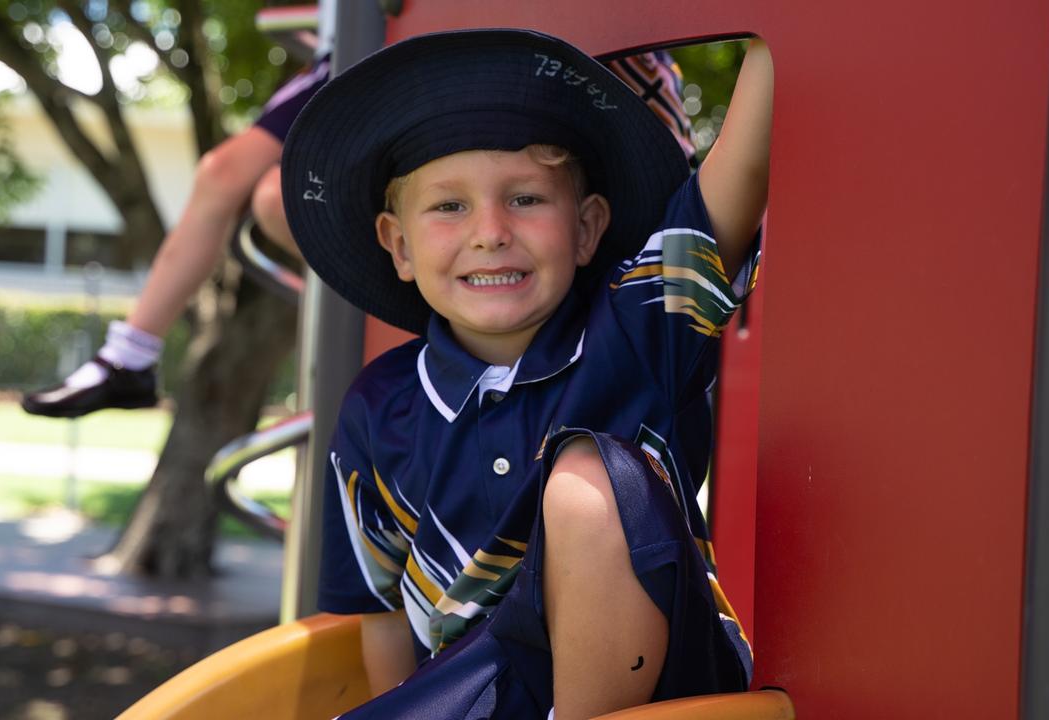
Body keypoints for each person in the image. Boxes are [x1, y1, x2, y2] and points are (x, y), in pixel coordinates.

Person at [280, 29, 772, 720]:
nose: (489, 231)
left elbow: (738, 180)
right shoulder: (377, 406)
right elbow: (384, 615)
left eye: (527, 199)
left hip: (653, 694)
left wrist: (780, 33)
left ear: (587, 228)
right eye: (449, 206)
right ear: (398, 244)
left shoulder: (638, 332)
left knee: (588, 482)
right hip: (467, 699)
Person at [19, 38, 331, 418]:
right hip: (343, 43)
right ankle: (129, 356)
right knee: (268, 194)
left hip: (372, 41)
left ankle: (129, 357)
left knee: (250, 185)